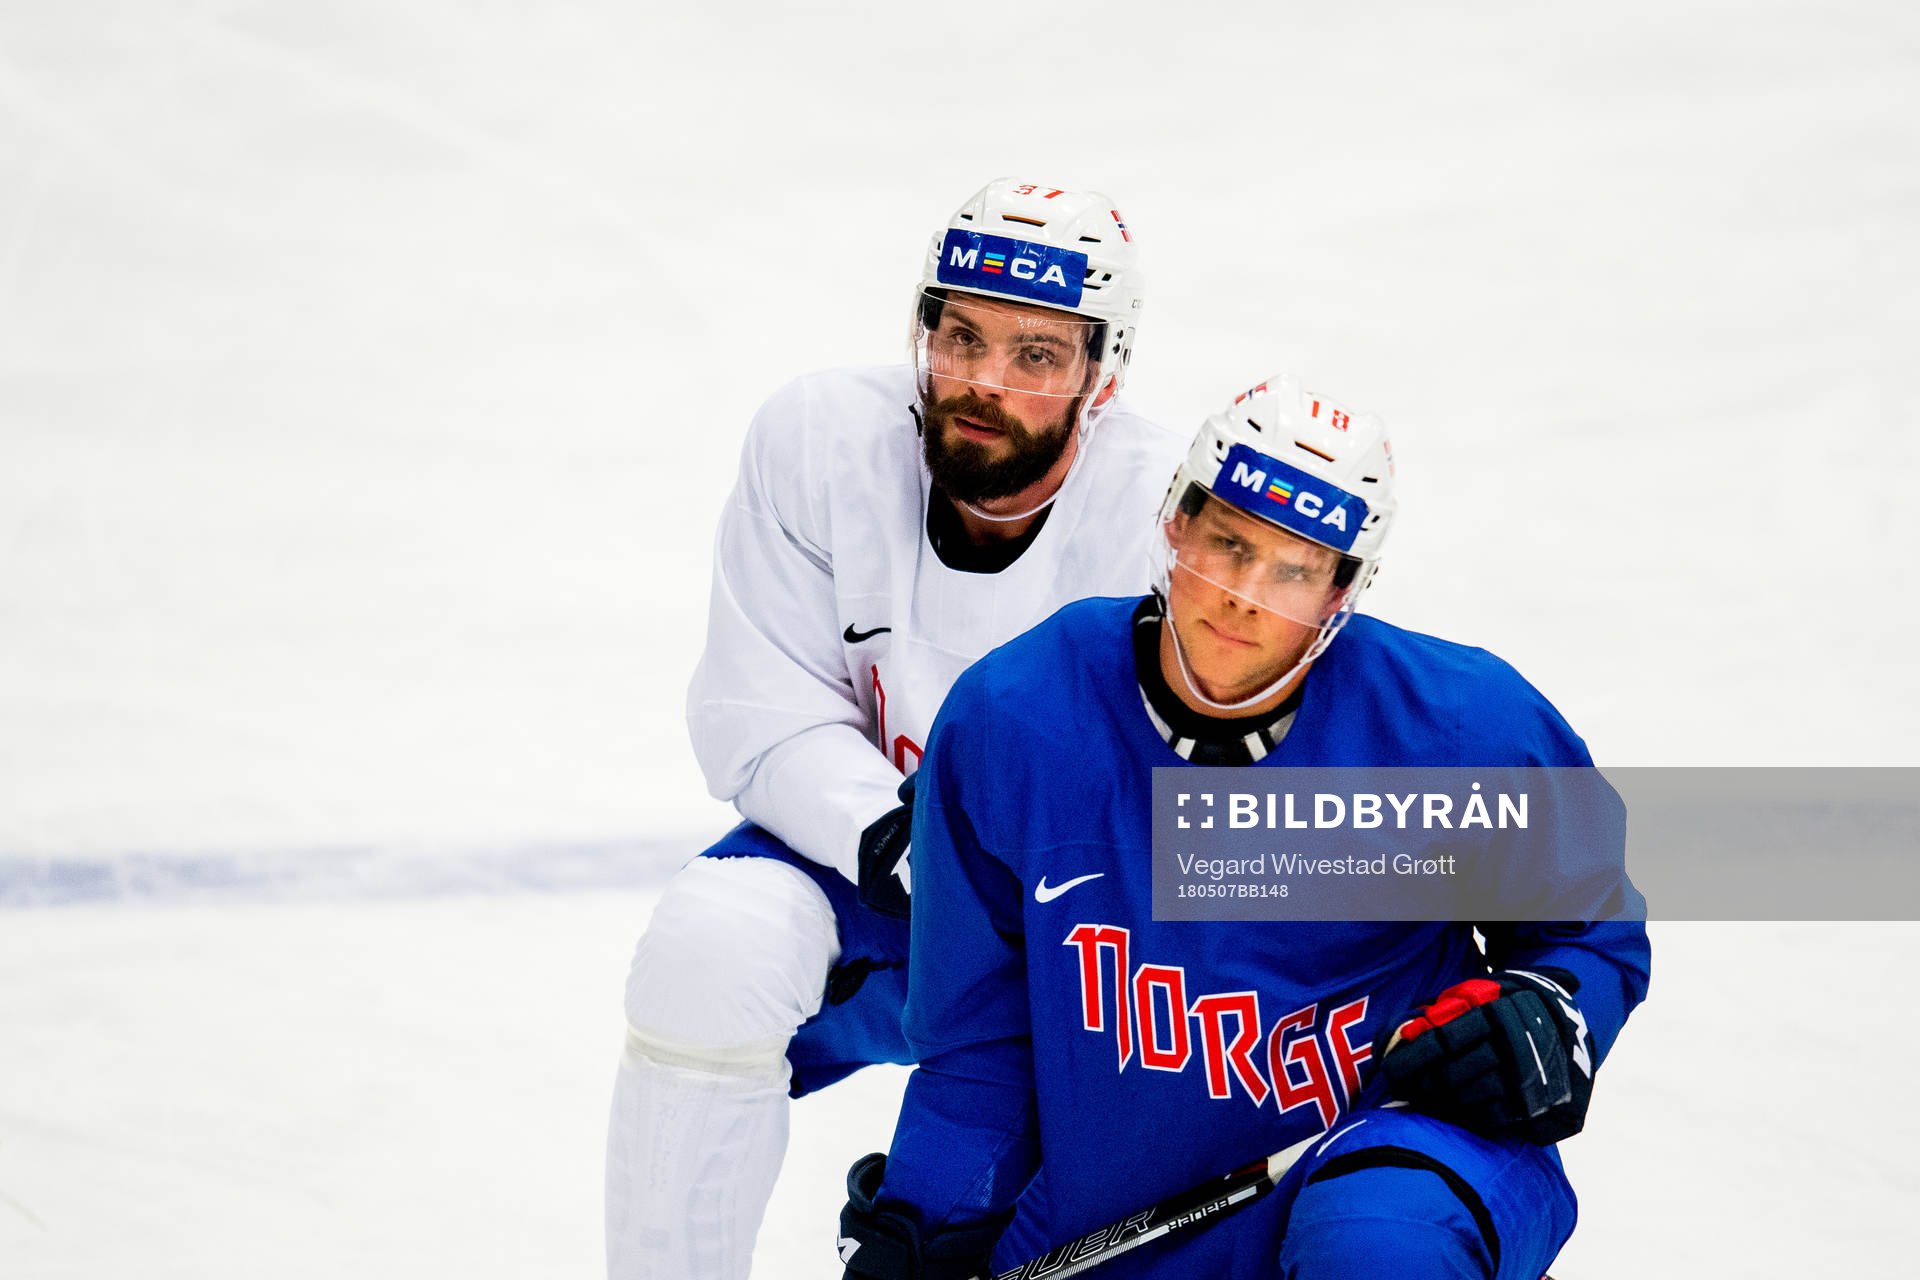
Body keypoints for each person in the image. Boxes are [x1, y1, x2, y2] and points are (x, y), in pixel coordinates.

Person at [837, 377, 1652, 1279]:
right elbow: (980, 1051)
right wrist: (922, 1225)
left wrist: (1551, 1013)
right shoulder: (1015, 720)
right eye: (1228, 544)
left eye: (1293, 569)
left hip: (1393, 1149)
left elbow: (1590, 933)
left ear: (1344, 589)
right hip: (1118, 1201)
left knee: (1379, 1243)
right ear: (1175, 522)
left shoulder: (1459, 729)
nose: (1245, 597)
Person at [606, 178, 1185, 1279]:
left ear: (1100, 374)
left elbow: (1250, 796)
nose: (982, 382)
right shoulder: (821, 439)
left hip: (1071, 951)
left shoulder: (1167, 518)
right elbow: (758, 709)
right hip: (875, 888)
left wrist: (1530, 893)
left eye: (1034, 355)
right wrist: (903, 839)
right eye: (959, 335)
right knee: (709, 945)